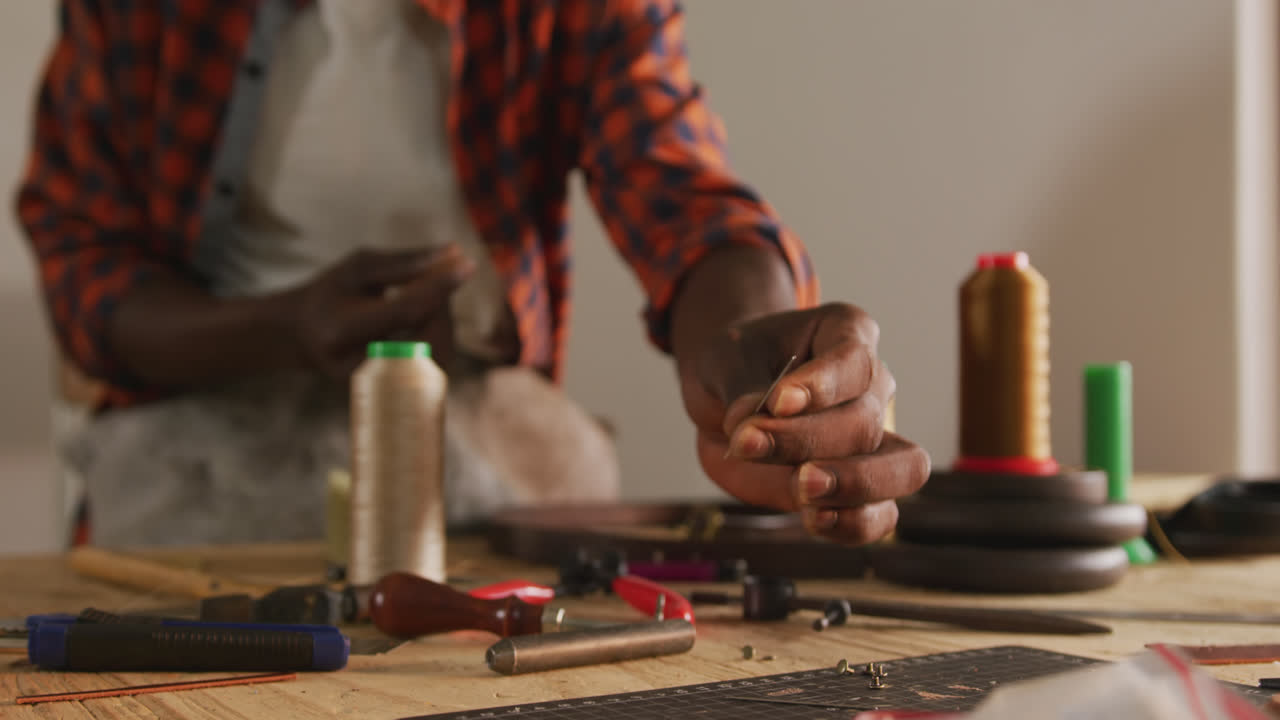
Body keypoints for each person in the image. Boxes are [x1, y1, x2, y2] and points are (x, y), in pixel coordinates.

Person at [16, 0, 930, 548]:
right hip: (199, 461)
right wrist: (285, 326)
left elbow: (682, 193)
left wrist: (755, 361)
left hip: (488, 451)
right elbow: (84, 268)